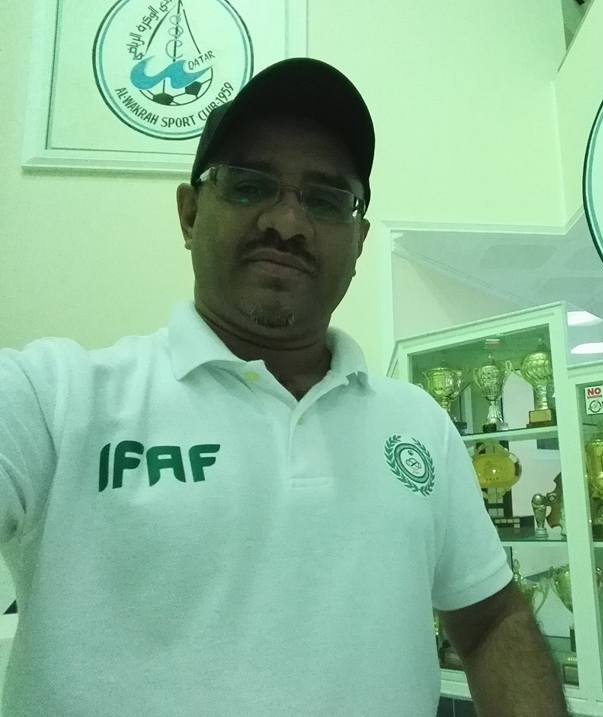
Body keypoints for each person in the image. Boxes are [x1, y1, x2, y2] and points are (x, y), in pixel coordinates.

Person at [0, 58, 568, 717]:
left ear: (358, 240)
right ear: (189, 214)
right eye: (250, 186)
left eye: (325, 199)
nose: (288, 223)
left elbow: (493, 620)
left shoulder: (419, 427)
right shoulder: (55, 399)